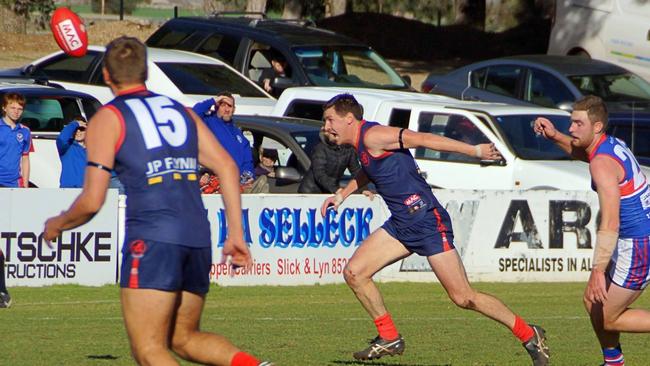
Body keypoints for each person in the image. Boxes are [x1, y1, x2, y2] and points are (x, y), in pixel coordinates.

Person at [43, 36, 271, 366]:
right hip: (196, 236)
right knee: (183, 338)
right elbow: (227, 166)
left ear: (106, 75)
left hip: (151, 239)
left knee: (149, 349)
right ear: (145, 71)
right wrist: (236, 233)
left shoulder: (107, 118)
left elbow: (92, 200)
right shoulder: (180, 112)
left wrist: (58, 224)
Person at [319, 94, 549, 365]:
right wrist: (343, 194)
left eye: (329, 120)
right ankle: (389, 337)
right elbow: (369, 171)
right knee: (355, 273)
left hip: (427, 221)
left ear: (349, 119)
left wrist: (474, 151)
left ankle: (528, 333)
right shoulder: (363, 144)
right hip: (402, 224)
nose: (326, 127)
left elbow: (424, 139)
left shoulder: (374, 135)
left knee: (463, 297)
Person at [534, 95, 650, 366]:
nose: (571, 129)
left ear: (596, 127)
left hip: (638, 243)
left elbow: (610, 222)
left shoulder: (601, 163)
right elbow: (582, 151)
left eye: (577, 123)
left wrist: (598, 270)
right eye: (570, 123)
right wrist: (555, 136)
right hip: (634, 238)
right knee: (592, 301)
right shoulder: (609, 145)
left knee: (610, 317)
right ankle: (614, 362)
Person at [193, 93, 267, 193]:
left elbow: (248, 160)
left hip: (239, 185)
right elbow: (193, 114)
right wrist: (213, 101)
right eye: (223, 105)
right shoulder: (208, 122)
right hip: (216, 184)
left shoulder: (238, 134)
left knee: (263, 182)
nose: (227, 109)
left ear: (234, 109)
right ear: (216, 106)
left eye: (230, 106)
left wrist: (248, 175)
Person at [299, 128, 361, 194]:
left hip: (330, 191)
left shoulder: (349, 150)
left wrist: (363, 189)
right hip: (310, 192)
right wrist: (336, 189)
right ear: (327, 134)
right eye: (333, 134)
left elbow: (356, 171)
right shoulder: (320, 148)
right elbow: (319, 173)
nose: (336, 136)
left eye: (338, 134)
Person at [0, 92, 31, 188]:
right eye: (12, 108)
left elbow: (25, 158)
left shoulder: (25, 131)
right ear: (4, 108)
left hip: (14, 183)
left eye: (20, 109)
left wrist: (25, 185)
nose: (16, 112)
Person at [56, 116, 87, 188]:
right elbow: (61, 139)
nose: (78, 132)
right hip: (68, 190)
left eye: (81, 129)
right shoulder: (66, 147)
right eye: (75, 129)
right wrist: (75, 124)